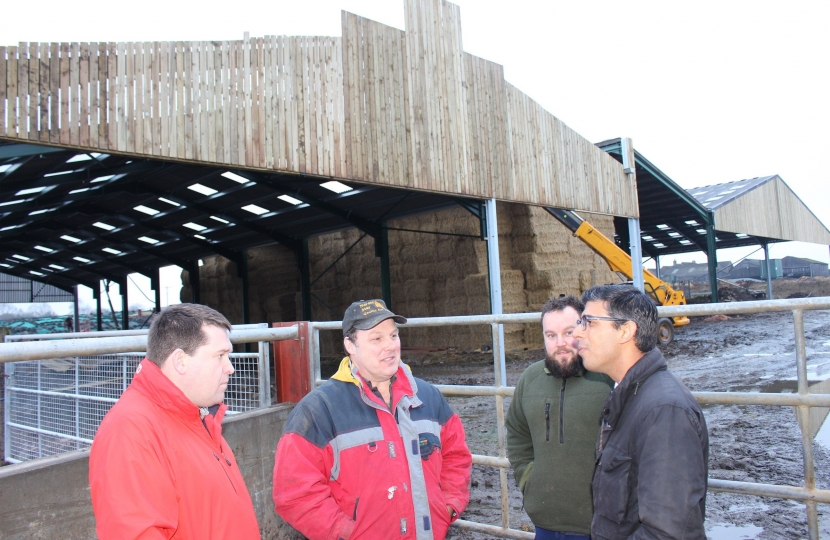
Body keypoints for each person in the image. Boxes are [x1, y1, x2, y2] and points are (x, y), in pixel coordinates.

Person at [272, 299, 472, 540]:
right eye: (376, 339)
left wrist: (447, 507)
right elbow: (295, 493)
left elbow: (456, 456)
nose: (390, 346)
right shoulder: (318, 411)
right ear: (350, 345)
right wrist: (347, 533)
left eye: (393, 336)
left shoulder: (428, 397)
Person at [89, 303, 260, 540]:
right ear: (180, 360)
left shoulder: (198, 416)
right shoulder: (130, 431)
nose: (230, 368)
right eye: (220, 356)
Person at [573, 285, 709, 540]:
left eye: (589, 322)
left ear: (626, 331)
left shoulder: (664, 412)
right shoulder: (628, 395)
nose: (577, 332)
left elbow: (667, 534)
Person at [505, 295, 613, 540]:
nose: (560, 343)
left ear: (584, 328)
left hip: (598, 525)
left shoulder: (606, 378)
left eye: (568, 332)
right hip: (545, 522)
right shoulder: (531, 379)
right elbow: (517, 432)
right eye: (551, 335)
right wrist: (528, 479)